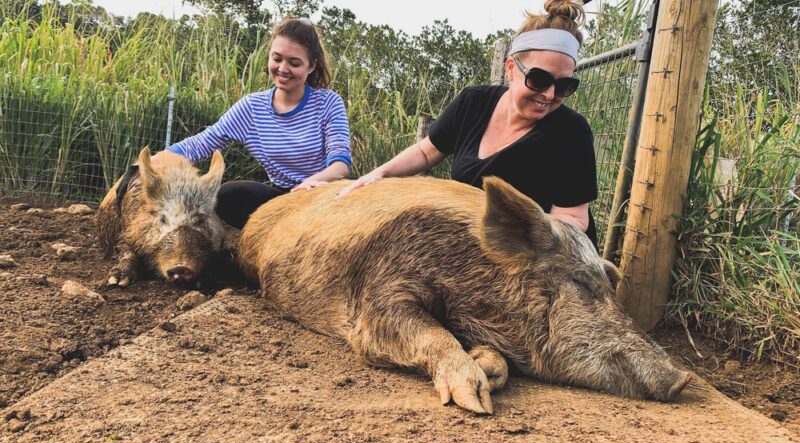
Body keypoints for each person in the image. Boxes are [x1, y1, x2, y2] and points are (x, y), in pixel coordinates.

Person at [338, 0, 598, 247]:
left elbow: (573, 219)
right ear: (511, 68)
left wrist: (514, 232)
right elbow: (426, 152)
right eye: (539, 79)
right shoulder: (473, 102)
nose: (549, 95)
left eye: (564, 85)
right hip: (473, 243)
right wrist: (380, 173)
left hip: (540, 254)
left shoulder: (571, 132)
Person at [166, 18, 352, 229]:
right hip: (282, 199)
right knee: (228, 195)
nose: (283, 69)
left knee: (360, 195)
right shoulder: (252, 107)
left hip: (326, 193)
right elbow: (203, 143)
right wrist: (156, 160)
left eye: (294, 63)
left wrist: (311, 183)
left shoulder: (328, 102)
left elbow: (340, 165)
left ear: (311, 66)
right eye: (277, 59)